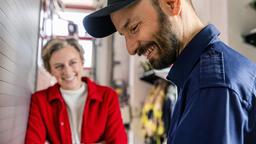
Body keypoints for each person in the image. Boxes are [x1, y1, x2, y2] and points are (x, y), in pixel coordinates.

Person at [83, 0, 256, 143]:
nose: (130, 48)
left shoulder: (210, 85)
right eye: (124, 35)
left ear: (171, 4)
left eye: (134, 28)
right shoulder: (205, 74)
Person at [25, 38, 127, 144]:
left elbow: (119, 141)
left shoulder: (108, 96)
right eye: (59, 66)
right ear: (50, 70)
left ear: (82, 62)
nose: (68, 71)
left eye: (73, 62)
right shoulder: (40, 101)